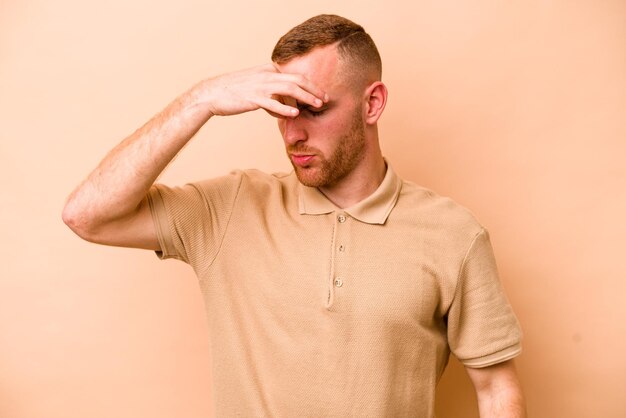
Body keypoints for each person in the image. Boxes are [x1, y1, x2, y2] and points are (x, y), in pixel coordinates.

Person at [63, 14, 526, 418]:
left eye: (311, 108)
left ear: (373, 103)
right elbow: (88, 215)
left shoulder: (453, 234)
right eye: (280, 108)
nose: (292, 133)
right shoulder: (230, 209)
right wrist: (201, 99)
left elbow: (495, 389)